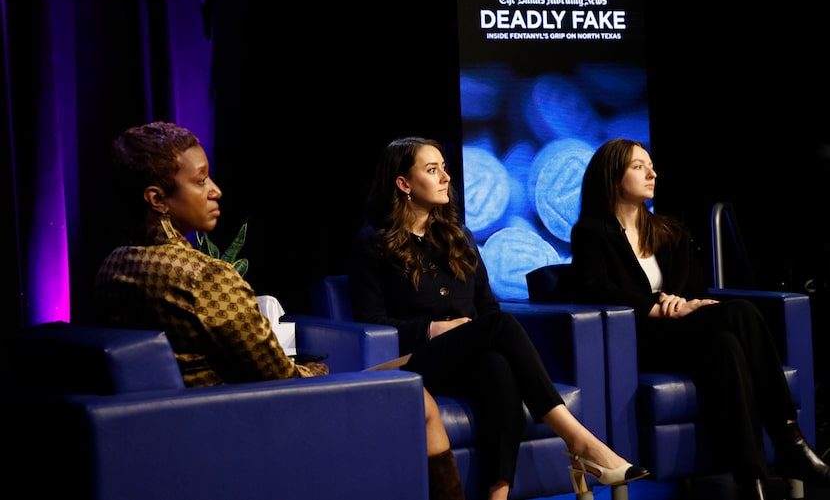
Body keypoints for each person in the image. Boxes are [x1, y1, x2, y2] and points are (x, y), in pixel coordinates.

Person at [93, 122, 464, 500]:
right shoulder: (206, 277)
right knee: (417, 397)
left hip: (179, 431)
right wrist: (318, 369)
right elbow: (282, 380)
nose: (215, 191)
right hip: (250, 424)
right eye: (201, 181)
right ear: (157, 198)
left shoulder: (112, 267)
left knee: (404, 363)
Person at [348, 135, 649, 500]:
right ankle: (580, 441)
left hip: (467, 357)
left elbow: (486, 307)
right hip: (414, 361)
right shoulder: (373, 244)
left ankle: (499, 492)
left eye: (444, 168)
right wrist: (433, 329)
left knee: (497, 364)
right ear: (403, 184)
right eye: (432, 170)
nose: (445, 177)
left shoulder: (460, 238)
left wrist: (470, 334)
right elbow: (370, 321)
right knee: (499, 328)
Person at [569, 137, 830, 500]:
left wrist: (684, 302)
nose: (652, 173)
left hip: (688, 334)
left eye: (651, 165)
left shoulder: (670, 231)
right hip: (642, 341)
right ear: (613, 178)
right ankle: (788, 434)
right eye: (639, 166)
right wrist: (660, 306)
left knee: (726, 345)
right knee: (739, 311)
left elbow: (694, 289)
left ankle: (751, 478)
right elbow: (595, 289)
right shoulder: (591, 233)